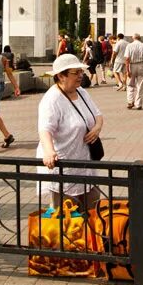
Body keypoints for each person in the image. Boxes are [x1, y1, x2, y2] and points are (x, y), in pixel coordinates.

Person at [36, 54, 104, 210]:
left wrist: (97, 128)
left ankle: (88, 235)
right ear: (61, 76)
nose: (81, 76)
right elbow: (45, 128)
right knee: (66, 215)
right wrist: (49, 151)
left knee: (91, 206)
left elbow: (98, 115)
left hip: (85, 162)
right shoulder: (52, 99)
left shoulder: (81, 92)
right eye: (76, 73)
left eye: (81, 71)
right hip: (64, 165)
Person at [123, 34, 143, 110]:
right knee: (140, 85)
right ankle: (138, 104)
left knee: (130, 84)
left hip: (132, 65)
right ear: (140, 38)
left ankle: (130, 102)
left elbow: (127, 59)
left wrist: (127, 70)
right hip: (142, 65)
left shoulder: (129, 46)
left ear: (133, 38)